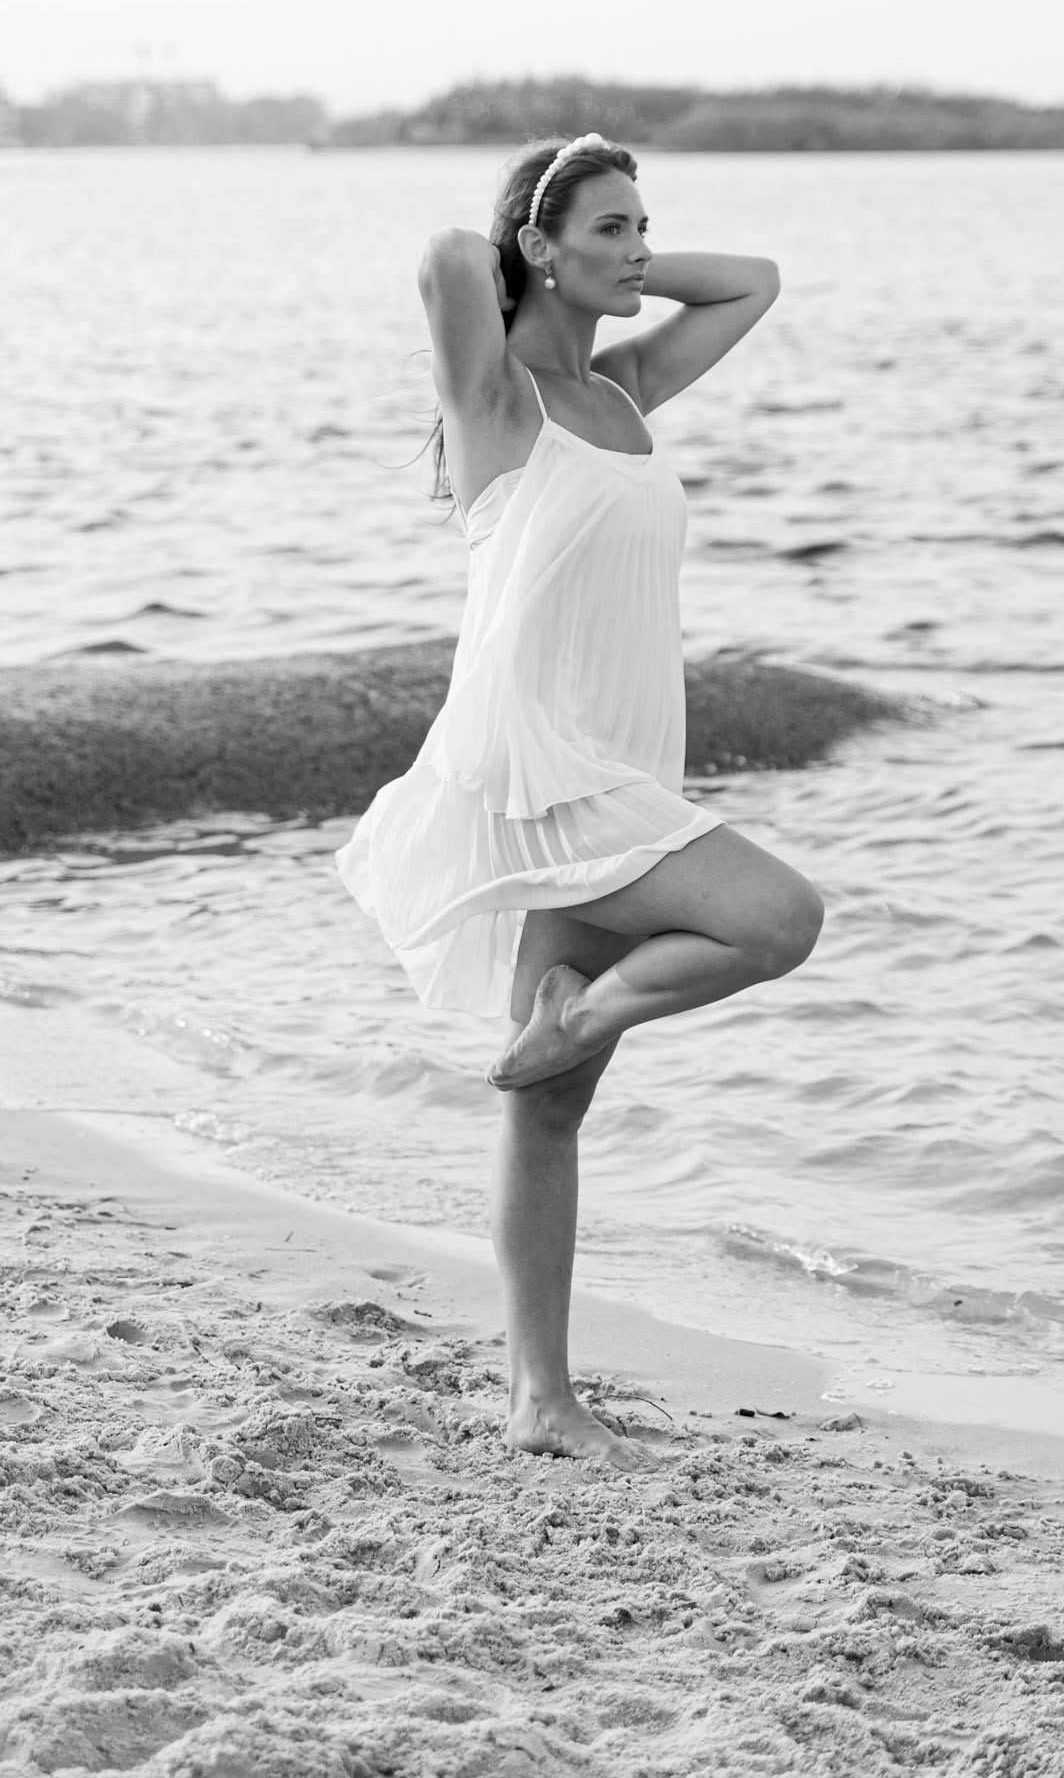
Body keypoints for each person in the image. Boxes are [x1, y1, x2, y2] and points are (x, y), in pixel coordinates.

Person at [337, 132, 824, 1468]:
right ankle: (586, 1010)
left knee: (547, 1110)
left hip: (623, 766)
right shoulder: (498, 404)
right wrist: (541, 235)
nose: (641, 252)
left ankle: (539, 1400)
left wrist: (613, 262)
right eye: (614, 228)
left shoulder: (623, 390)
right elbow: (445, 254)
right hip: (544, 771)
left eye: (646, 228)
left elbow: (756, 281)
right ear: (540, 248)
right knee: (778, 919)